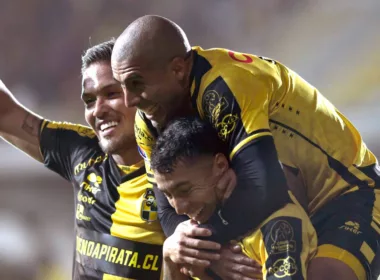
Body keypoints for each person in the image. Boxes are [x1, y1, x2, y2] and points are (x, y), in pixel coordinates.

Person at [111, 15, 380, 280]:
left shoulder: (226, 85)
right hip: (275, 211)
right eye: (121, 86)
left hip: (349, 194)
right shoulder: (148, 120)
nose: (129, 100)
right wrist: (193, 247)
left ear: (178, 69)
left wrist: (209, 251)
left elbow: (264, 188)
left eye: (136, 83)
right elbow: (167, 210)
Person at [0, 39, 260, 280]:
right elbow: (6, 113)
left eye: (111, 94)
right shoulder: (79, 150)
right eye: (90, 100)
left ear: (142, 94)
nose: (98, 110)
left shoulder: (185, 173)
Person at [150, 116, 317, 280]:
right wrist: (168, 256)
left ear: (221, 166)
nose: (179, 209)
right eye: (168, 195)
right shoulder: (189, 238)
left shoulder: (279, 225)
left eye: (185, 190)